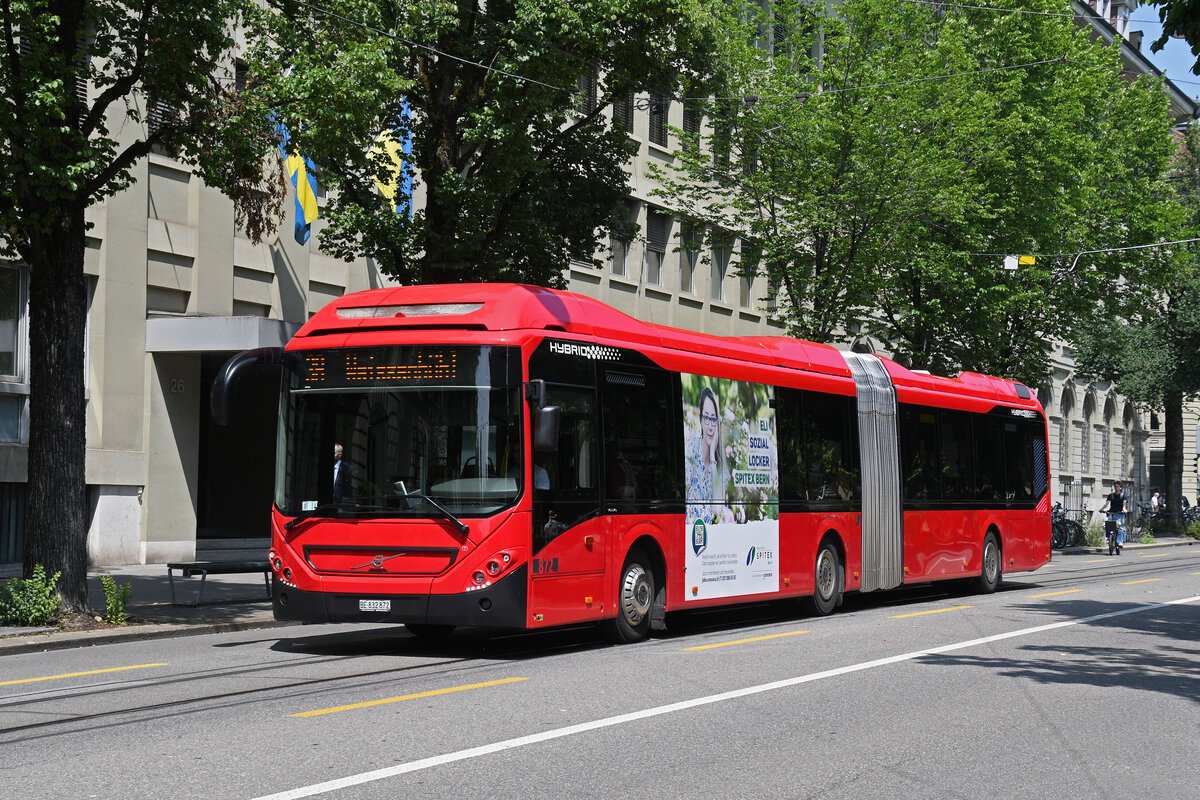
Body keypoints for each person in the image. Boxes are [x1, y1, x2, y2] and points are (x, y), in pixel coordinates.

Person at [686, 386, 725, 524]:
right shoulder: (691, 450)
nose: (710, 426)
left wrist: (713, 458)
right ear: (701, 420)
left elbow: (718, 510)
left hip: (713, 534)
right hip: (690, 531)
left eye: (713, 419)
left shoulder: (720, 462)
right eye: (706, 418)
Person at [1104, 480, 1128, 554]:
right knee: (1108, 525)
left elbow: (1124, 503)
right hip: (1111, 512)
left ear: (1120, 487)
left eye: (1117, 486)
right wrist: (1102, 509)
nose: (1116, 488)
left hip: (1120, 513)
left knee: (1120, 527)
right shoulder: (1111, 495)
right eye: (1115, 486)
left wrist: (1124, 509)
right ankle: (1108, 538)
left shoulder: (1123, 495)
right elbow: (1107, 503)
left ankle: (1120, 542)